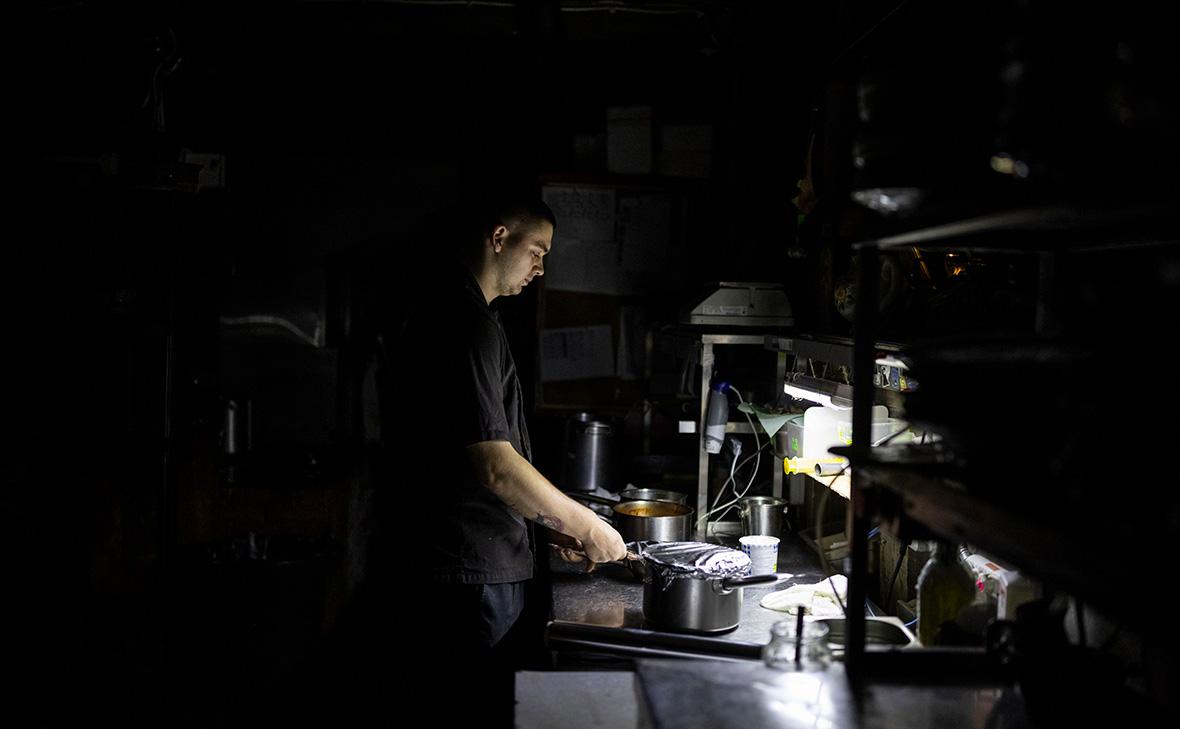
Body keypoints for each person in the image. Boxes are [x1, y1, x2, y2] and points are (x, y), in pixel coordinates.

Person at [364, 193, 628, 727]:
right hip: (465, 572)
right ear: (500, 237)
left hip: (467, 563)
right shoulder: (464, 321)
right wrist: (586, 524)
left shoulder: (467, 312)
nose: (541, 267)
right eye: (537, 250)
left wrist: (547, 524)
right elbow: (493, 464)